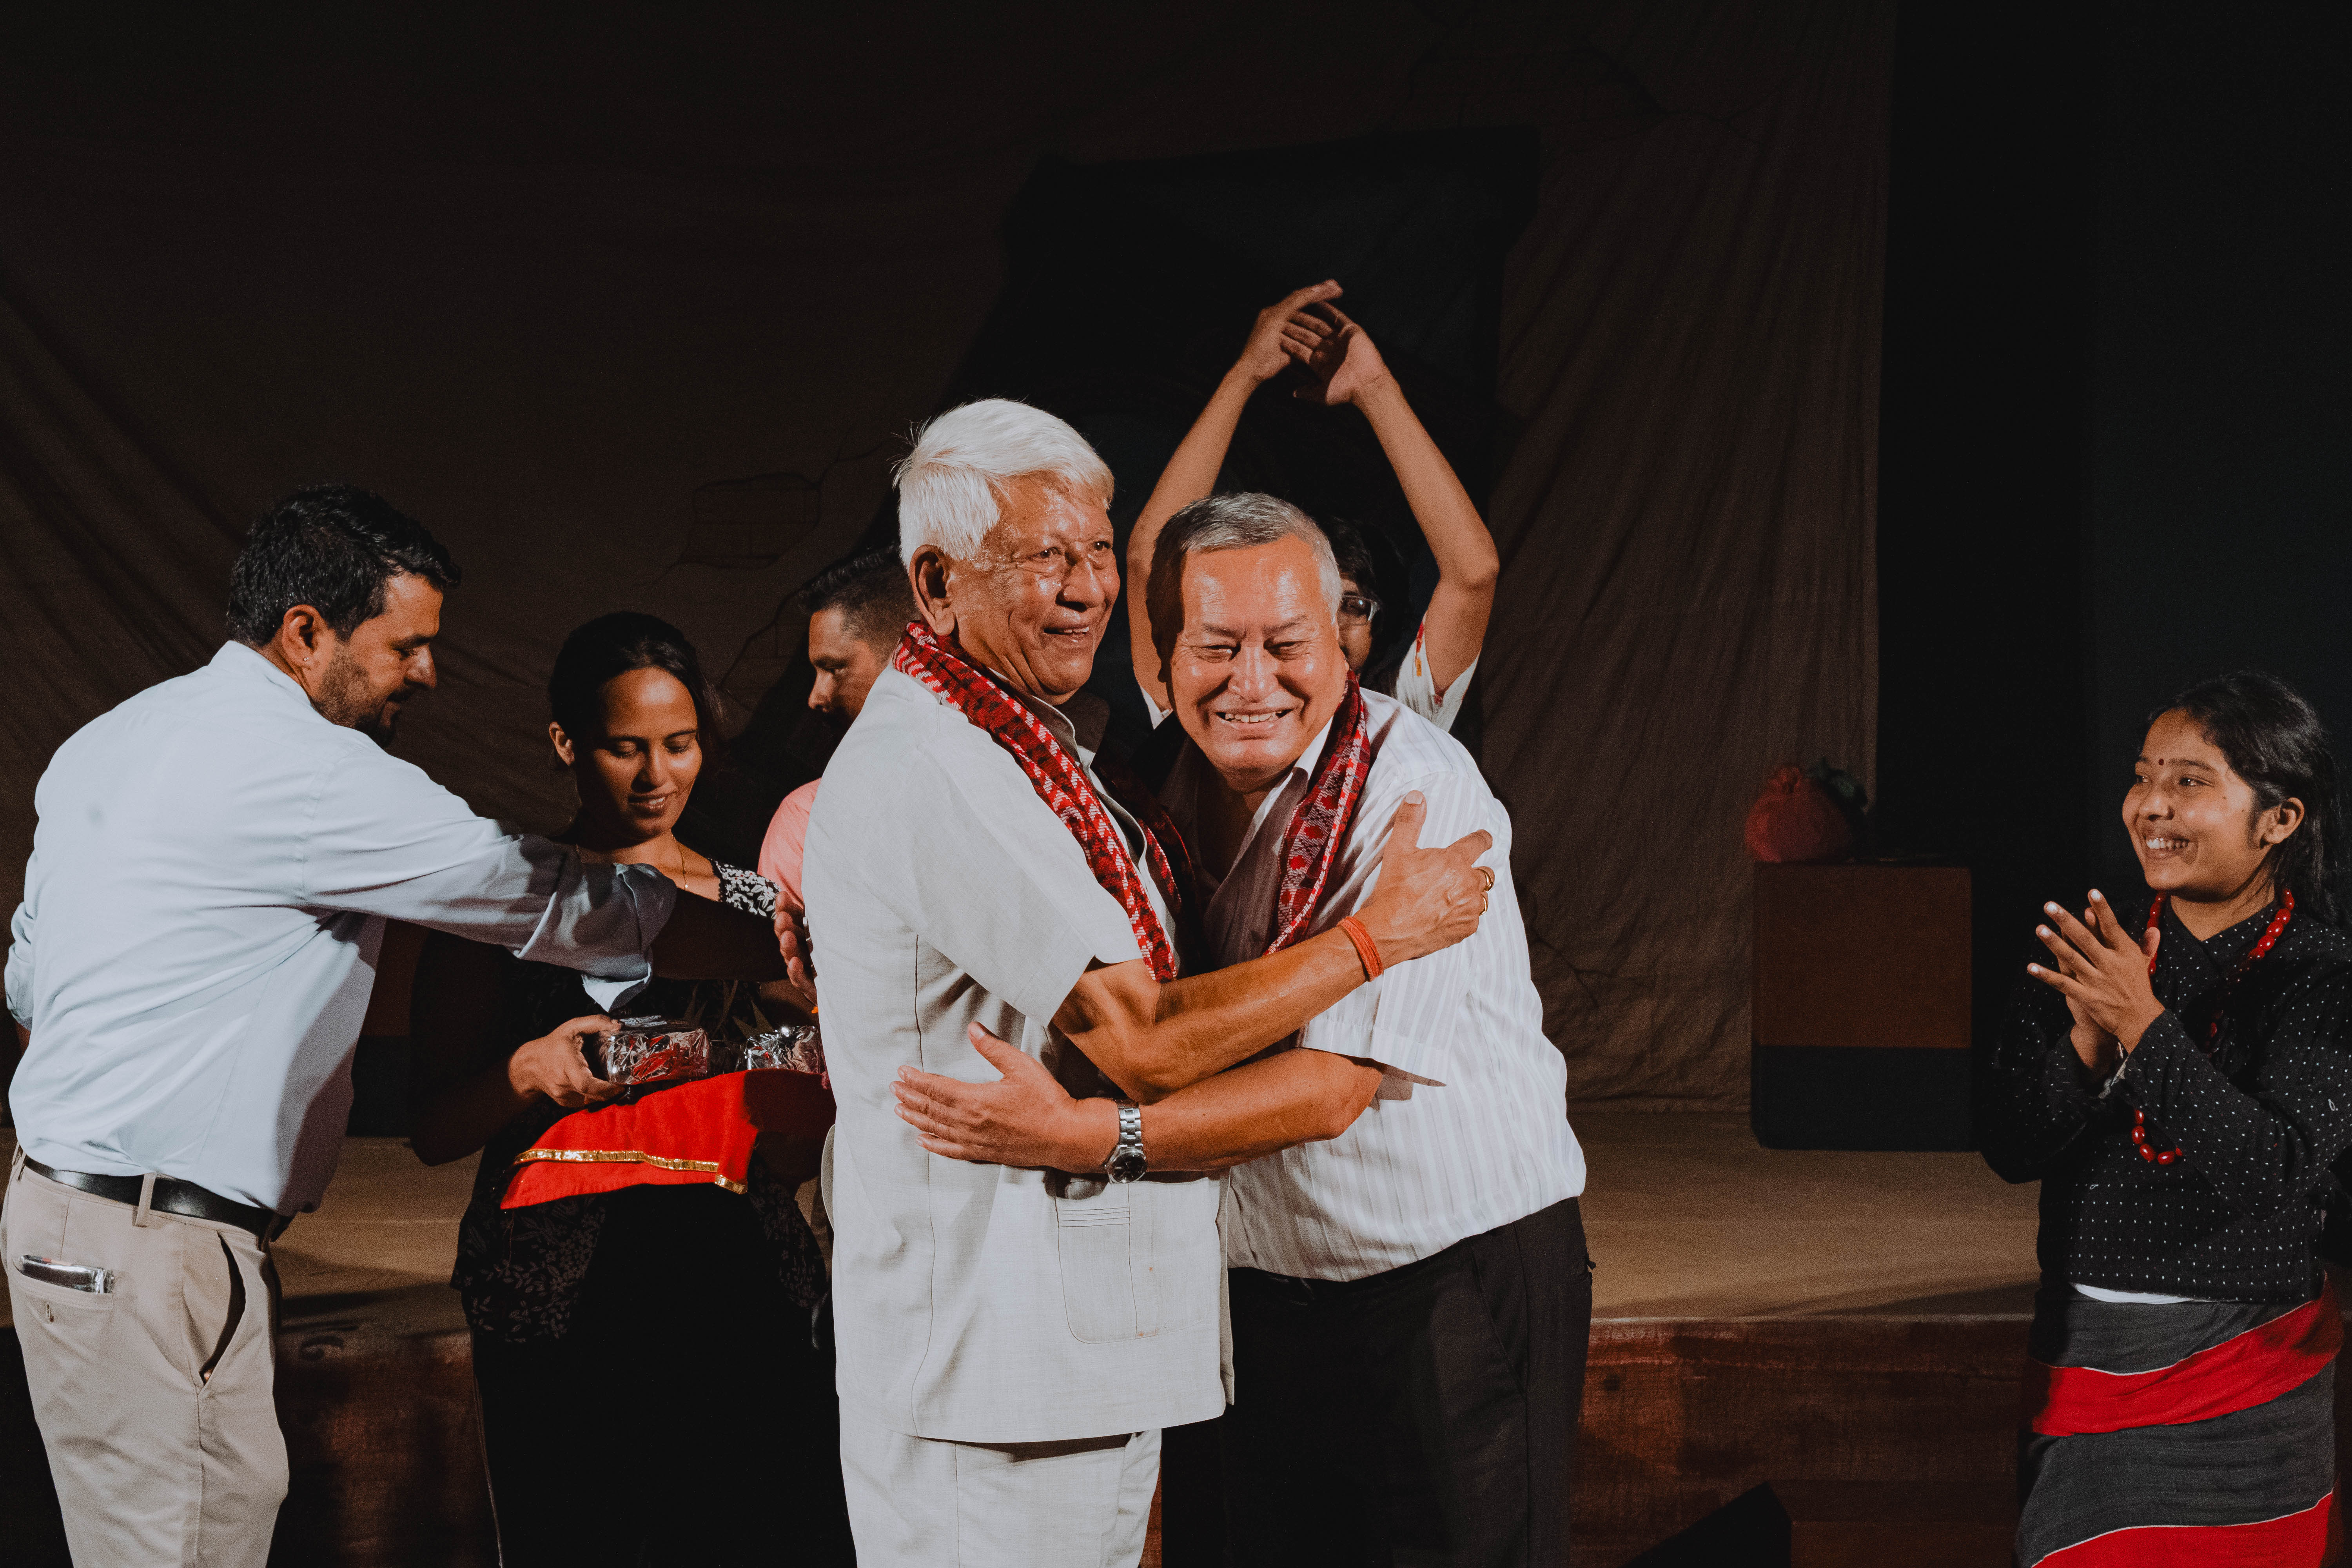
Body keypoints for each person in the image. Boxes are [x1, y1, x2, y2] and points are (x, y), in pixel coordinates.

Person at [2, 487, 791, 1568]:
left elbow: (30, 980)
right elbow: (550, 897)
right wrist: (792, 949)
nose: (427, 674)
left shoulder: (112, 740)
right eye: (406, 646)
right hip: (153, 1242)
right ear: (306, 632)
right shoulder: (312, 775)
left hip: (74, 1221)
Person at [799, 399, 1496, 1568]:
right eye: (1043, 558)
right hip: (996, 1358)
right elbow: (1143, 1040)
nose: (1086, 588)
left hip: (1061, 1347)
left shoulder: (1031, 742)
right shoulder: (941, 766)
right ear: (937, 583)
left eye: (1094, 551)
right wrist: (1375, 939)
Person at [406, 612, 850, 1567]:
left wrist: (781, 1083)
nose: (657, 774)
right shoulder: (509, 902)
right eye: (625, 747)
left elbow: (820, 1067)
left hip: (738, 1271)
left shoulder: (752, 905)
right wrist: (525, 1072)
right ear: (566, 742)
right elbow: (433, 1127)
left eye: (679, 744)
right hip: (559, 1286)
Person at [1987, 671, 2351, 1566]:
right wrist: (2086, 1048)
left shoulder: (2325, 977)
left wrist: (2143, 1027)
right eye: (2144, 776)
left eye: (2190, 781)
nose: (2152, 805)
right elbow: (2010, 1147)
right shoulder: (2091, 945)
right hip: (2084, 1366)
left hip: (2251, 1379)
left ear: (2279, 819)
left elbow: (2273, 1169)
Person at [1126, 281, 1499, 734]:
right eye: (1310, 600)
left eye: (1353, 605)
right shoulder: (1209, 705)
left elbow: (1473, 573)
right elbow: (1152, 559)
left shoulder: (1394, 726)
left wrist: (1375, 388)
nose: (1330, 624)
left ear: (1379, 630)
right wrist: (1245, 374)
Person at [757, 546, 916, 914]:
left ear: (906, 656)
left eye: (834, 668)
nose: (815, 698)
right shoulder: (807, 820)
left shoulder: (1006, 767)